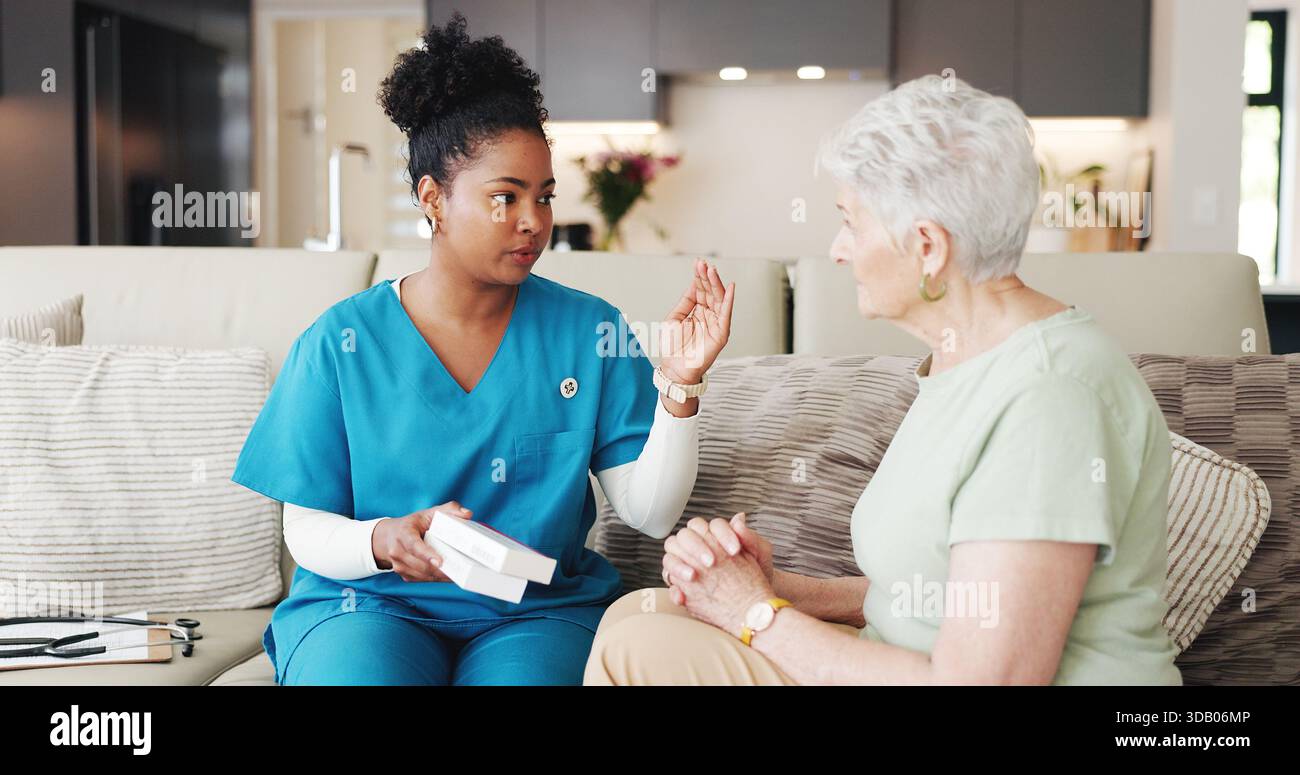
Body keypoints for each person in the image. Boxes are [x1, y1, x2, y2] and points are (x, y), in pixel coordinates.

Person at [584, 75, 1181, 686]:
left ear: (927, 247)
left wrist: (753, 612)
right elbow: (937, 593)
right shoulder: (966, 360)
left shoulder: (1051, 397)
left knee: (638, 652)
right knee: (642, 611)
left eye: (851, 221)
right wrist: (777, 588)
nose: (837, 249)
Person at [232, 13, 734, 685]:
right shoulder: (339, 343)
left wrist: (680, 386)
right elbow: (307, 529)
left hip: (536, 611)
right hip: (369, 604)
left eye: (545, 196)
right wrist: (382, 540)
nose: (534, 221)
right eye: (506, 197)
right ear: (433, 199)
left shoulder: (587, 332)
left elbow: (652, 512)